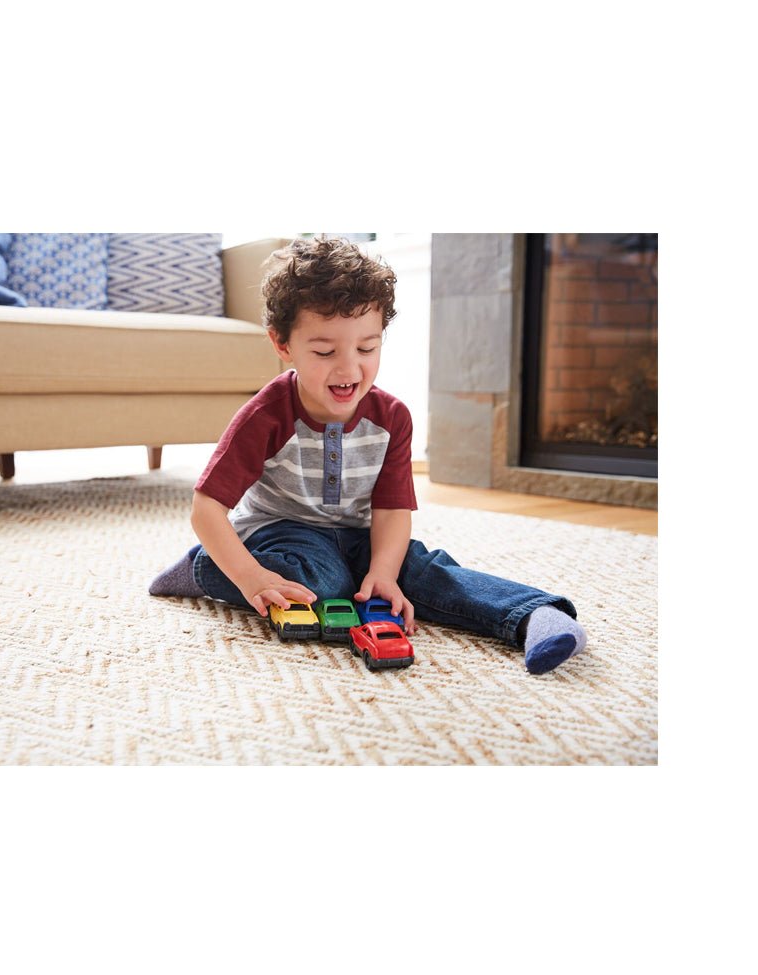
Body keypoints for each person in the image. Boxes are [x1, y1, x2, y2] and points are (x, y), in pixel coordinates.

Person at [149, 237, 587, 674]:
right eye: (324, 352)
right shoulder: (264, 416)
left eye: (366, 348)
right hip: (283, 532)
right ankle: (206, 566)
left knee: (421, 571)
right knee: (327, 584)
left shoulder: (392, 418)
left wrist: (385, 571)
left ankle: (534, 615)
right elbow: (207, 508)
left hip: (360, 534)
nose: (348, 368)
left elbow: (392, 509)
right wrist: (250, 577)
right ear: (282, 344)